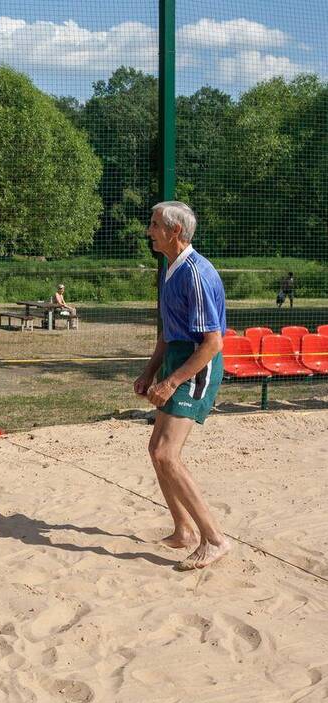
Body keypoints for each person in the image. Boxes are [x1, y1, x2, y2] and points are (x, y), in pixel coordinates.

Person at [134, 201, 231, 571]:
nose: (149, 230)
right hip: (178, 358)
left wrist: (173, 381)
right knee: (157, 449)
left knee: (165, 454)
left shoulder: (196, 273)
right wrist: (150, 373)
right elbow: (166, 334)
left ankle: (214, 539)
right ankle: (184, 531)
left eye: (155, 224)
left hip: (197, 365)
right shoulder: (170, 269)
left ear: (176, 231)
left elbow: (212, 343)